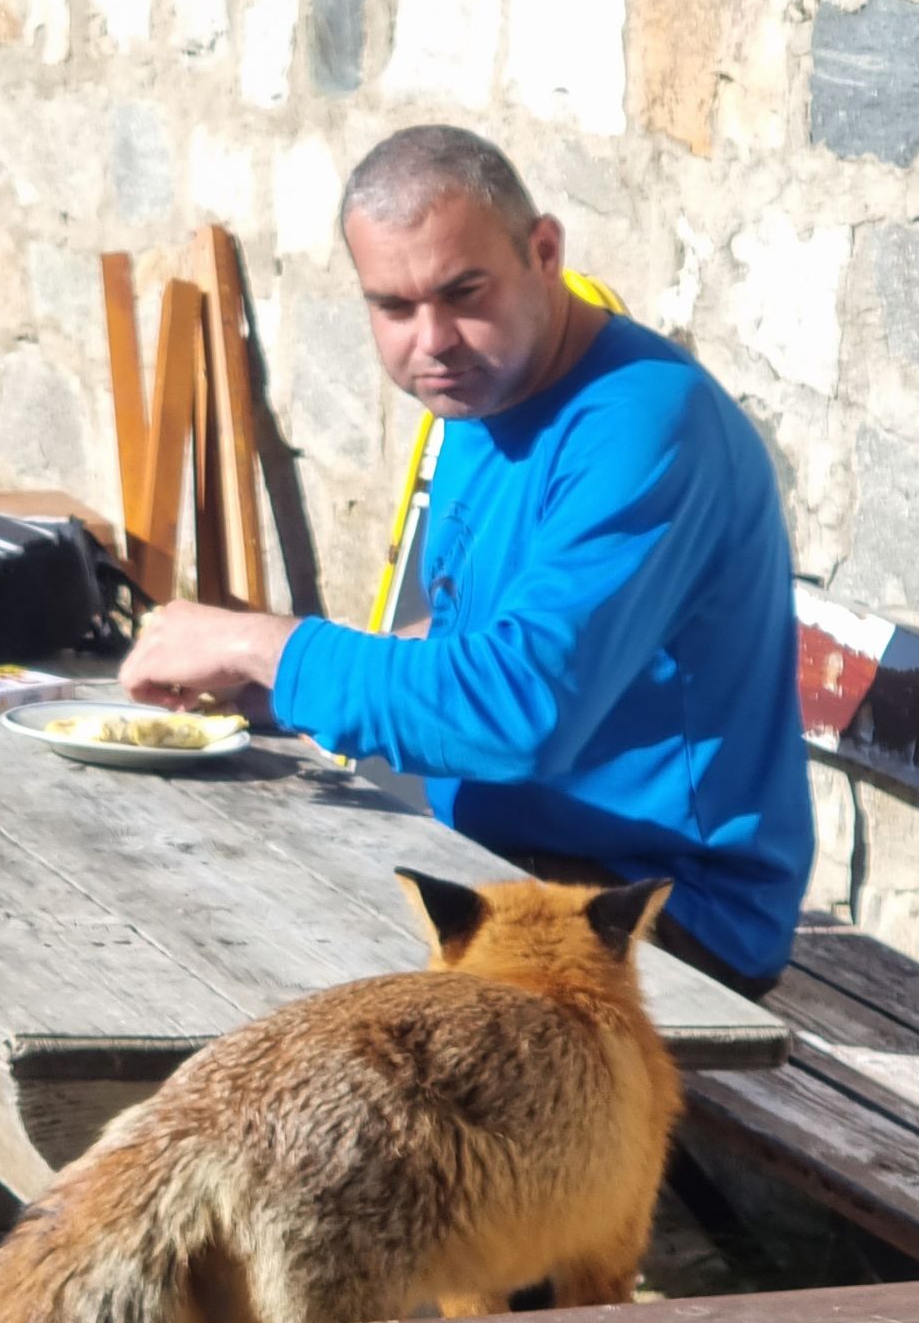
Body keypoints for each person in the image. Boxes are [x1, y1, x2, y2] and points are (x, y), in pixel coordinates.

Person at [120, 124, 814, 996]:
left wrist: (271, 644)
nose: (433, 340)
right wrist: (291, 692)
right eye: (394, 308)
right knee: (174, 901)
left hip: (655, 914)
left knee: (249, 992)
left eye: (463, 292)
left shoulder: (645, 423)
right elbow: (467, 635)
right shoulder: (484, 393)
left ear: (545, 251)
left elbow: (520, 713)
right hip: (510, 865)